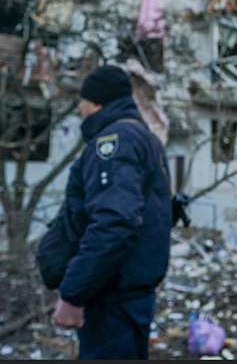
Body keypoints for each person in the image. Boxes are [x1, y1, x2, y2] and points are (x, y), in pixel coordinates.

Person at [36, 65, 172, 359]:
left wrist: (73, 293)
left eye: (82, 103)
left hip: (111, 301)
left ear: (96, 102)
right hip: (129, 296)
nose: (80, 110)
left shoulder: (114, 141)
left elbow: (114, 223)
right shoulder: (145, 138)